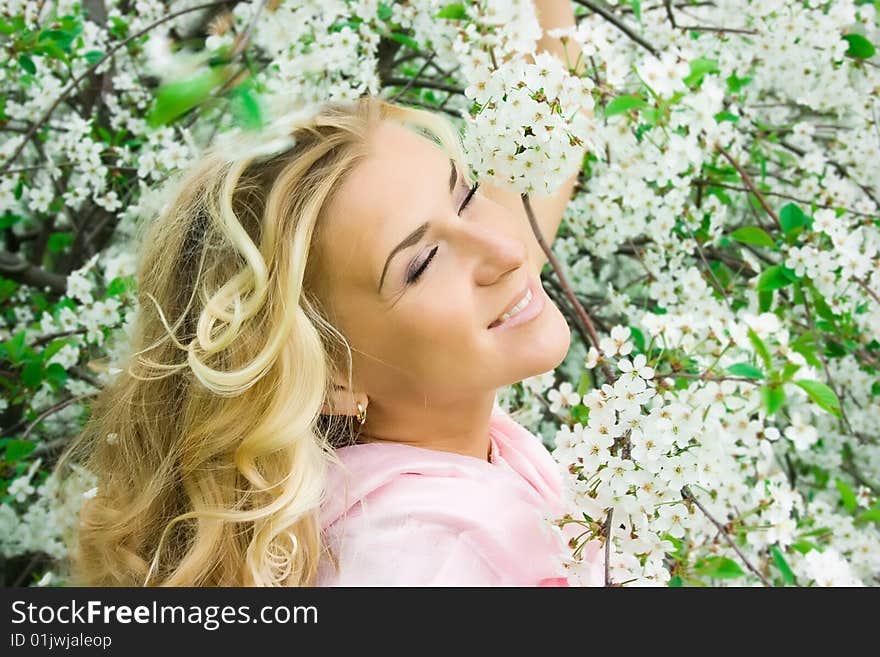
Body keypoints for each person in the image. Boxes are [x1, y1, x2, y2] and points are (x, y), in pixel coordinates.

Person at [54, 0, 602, 586]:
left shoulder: (405, 453)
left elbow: (543, 152)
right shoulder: (418, 563)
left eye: (465, 195)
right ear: (330, 375)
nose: (509, 252)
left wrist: (550, 22)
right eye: (420, 265)